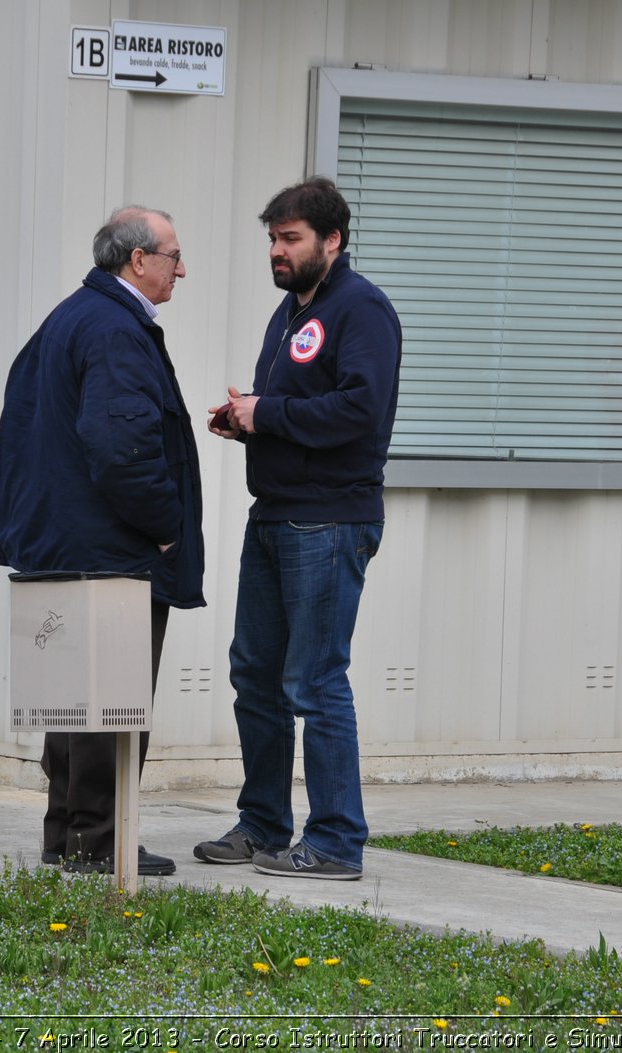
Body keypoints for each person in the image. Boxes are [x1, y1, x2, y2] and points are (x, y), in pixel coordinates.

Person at [196, 177, 401, 880]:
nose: (277, 253)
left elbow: (360, 412)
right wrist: (244, 420)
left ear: (332, 240)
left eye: (290, 240)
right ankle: (263, 825)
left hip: (329, 519)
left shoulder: (361, 309)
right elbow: (288, 407)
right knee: (254, 673)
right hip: (275, 512)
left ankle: (338, 839)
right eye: (272, 241)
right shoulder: (289, 313)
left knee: (314, 680)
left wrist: (268, 415)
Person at [0, 206, 204, 877]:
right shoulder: (116, 330)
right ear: (138, 260)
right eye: (174, 255)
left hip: (62, 543)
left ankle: (70, 835)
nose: (182, 268)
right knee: (109, 702)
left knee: (71, 698)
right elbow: (123, 446)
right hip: (109, 552)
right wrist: (167, 529)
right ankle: (101, 841)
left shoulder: (71, 317)